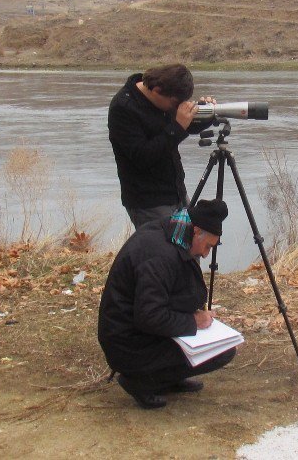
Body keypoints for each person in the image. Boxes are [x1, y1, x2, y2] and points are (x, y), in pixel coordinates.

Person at [98, 199, 235, 409]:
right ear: (196, 231)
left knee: (224, 348)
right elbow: (149, 316)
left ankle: (168, 378)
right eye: (208, 246)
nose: (206, 254)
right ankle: (140, 380)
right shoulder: (159, 255)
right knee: (221, 351)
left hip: (137, 332)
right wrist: (193, 321)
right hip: (127, 344)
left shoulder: (173, 233)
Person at [108, 63, 215, 229]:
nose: (176, 107)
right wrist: (178, 126)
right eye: (175, 104)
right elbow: (142, 157)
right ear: (157, 90)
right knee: (164, 252)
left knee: (187, 249)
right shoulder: (123, 108)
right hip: (148, 202)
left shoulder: (165, 98)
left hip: (176, 192)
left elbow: (181, 127)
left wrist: (205, 114)